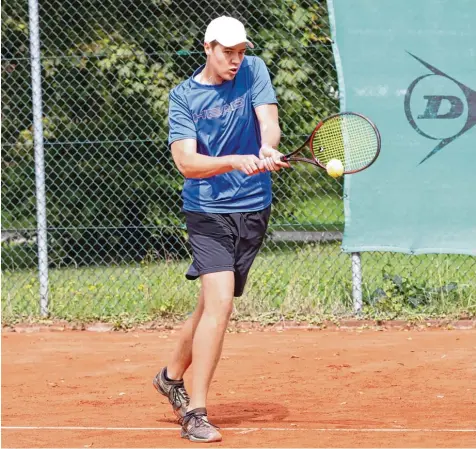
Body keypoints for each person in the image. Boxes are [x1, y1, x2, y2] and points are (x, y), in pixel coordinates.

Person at [153, 15, 289, 443]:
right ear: (208, 48)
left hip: (254, 209)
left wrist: (267, 144)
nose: (235, 60)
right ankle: (195, 411)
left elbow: (268, 119)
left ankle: (170, 377)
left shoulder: (253, 69)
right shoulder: (184, 97)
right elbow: (186, 163)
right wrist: (232, 160)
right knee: (221, 306)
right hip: (208, 212)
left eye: (240, 51)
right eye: (227, 52)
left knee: (213, 304)